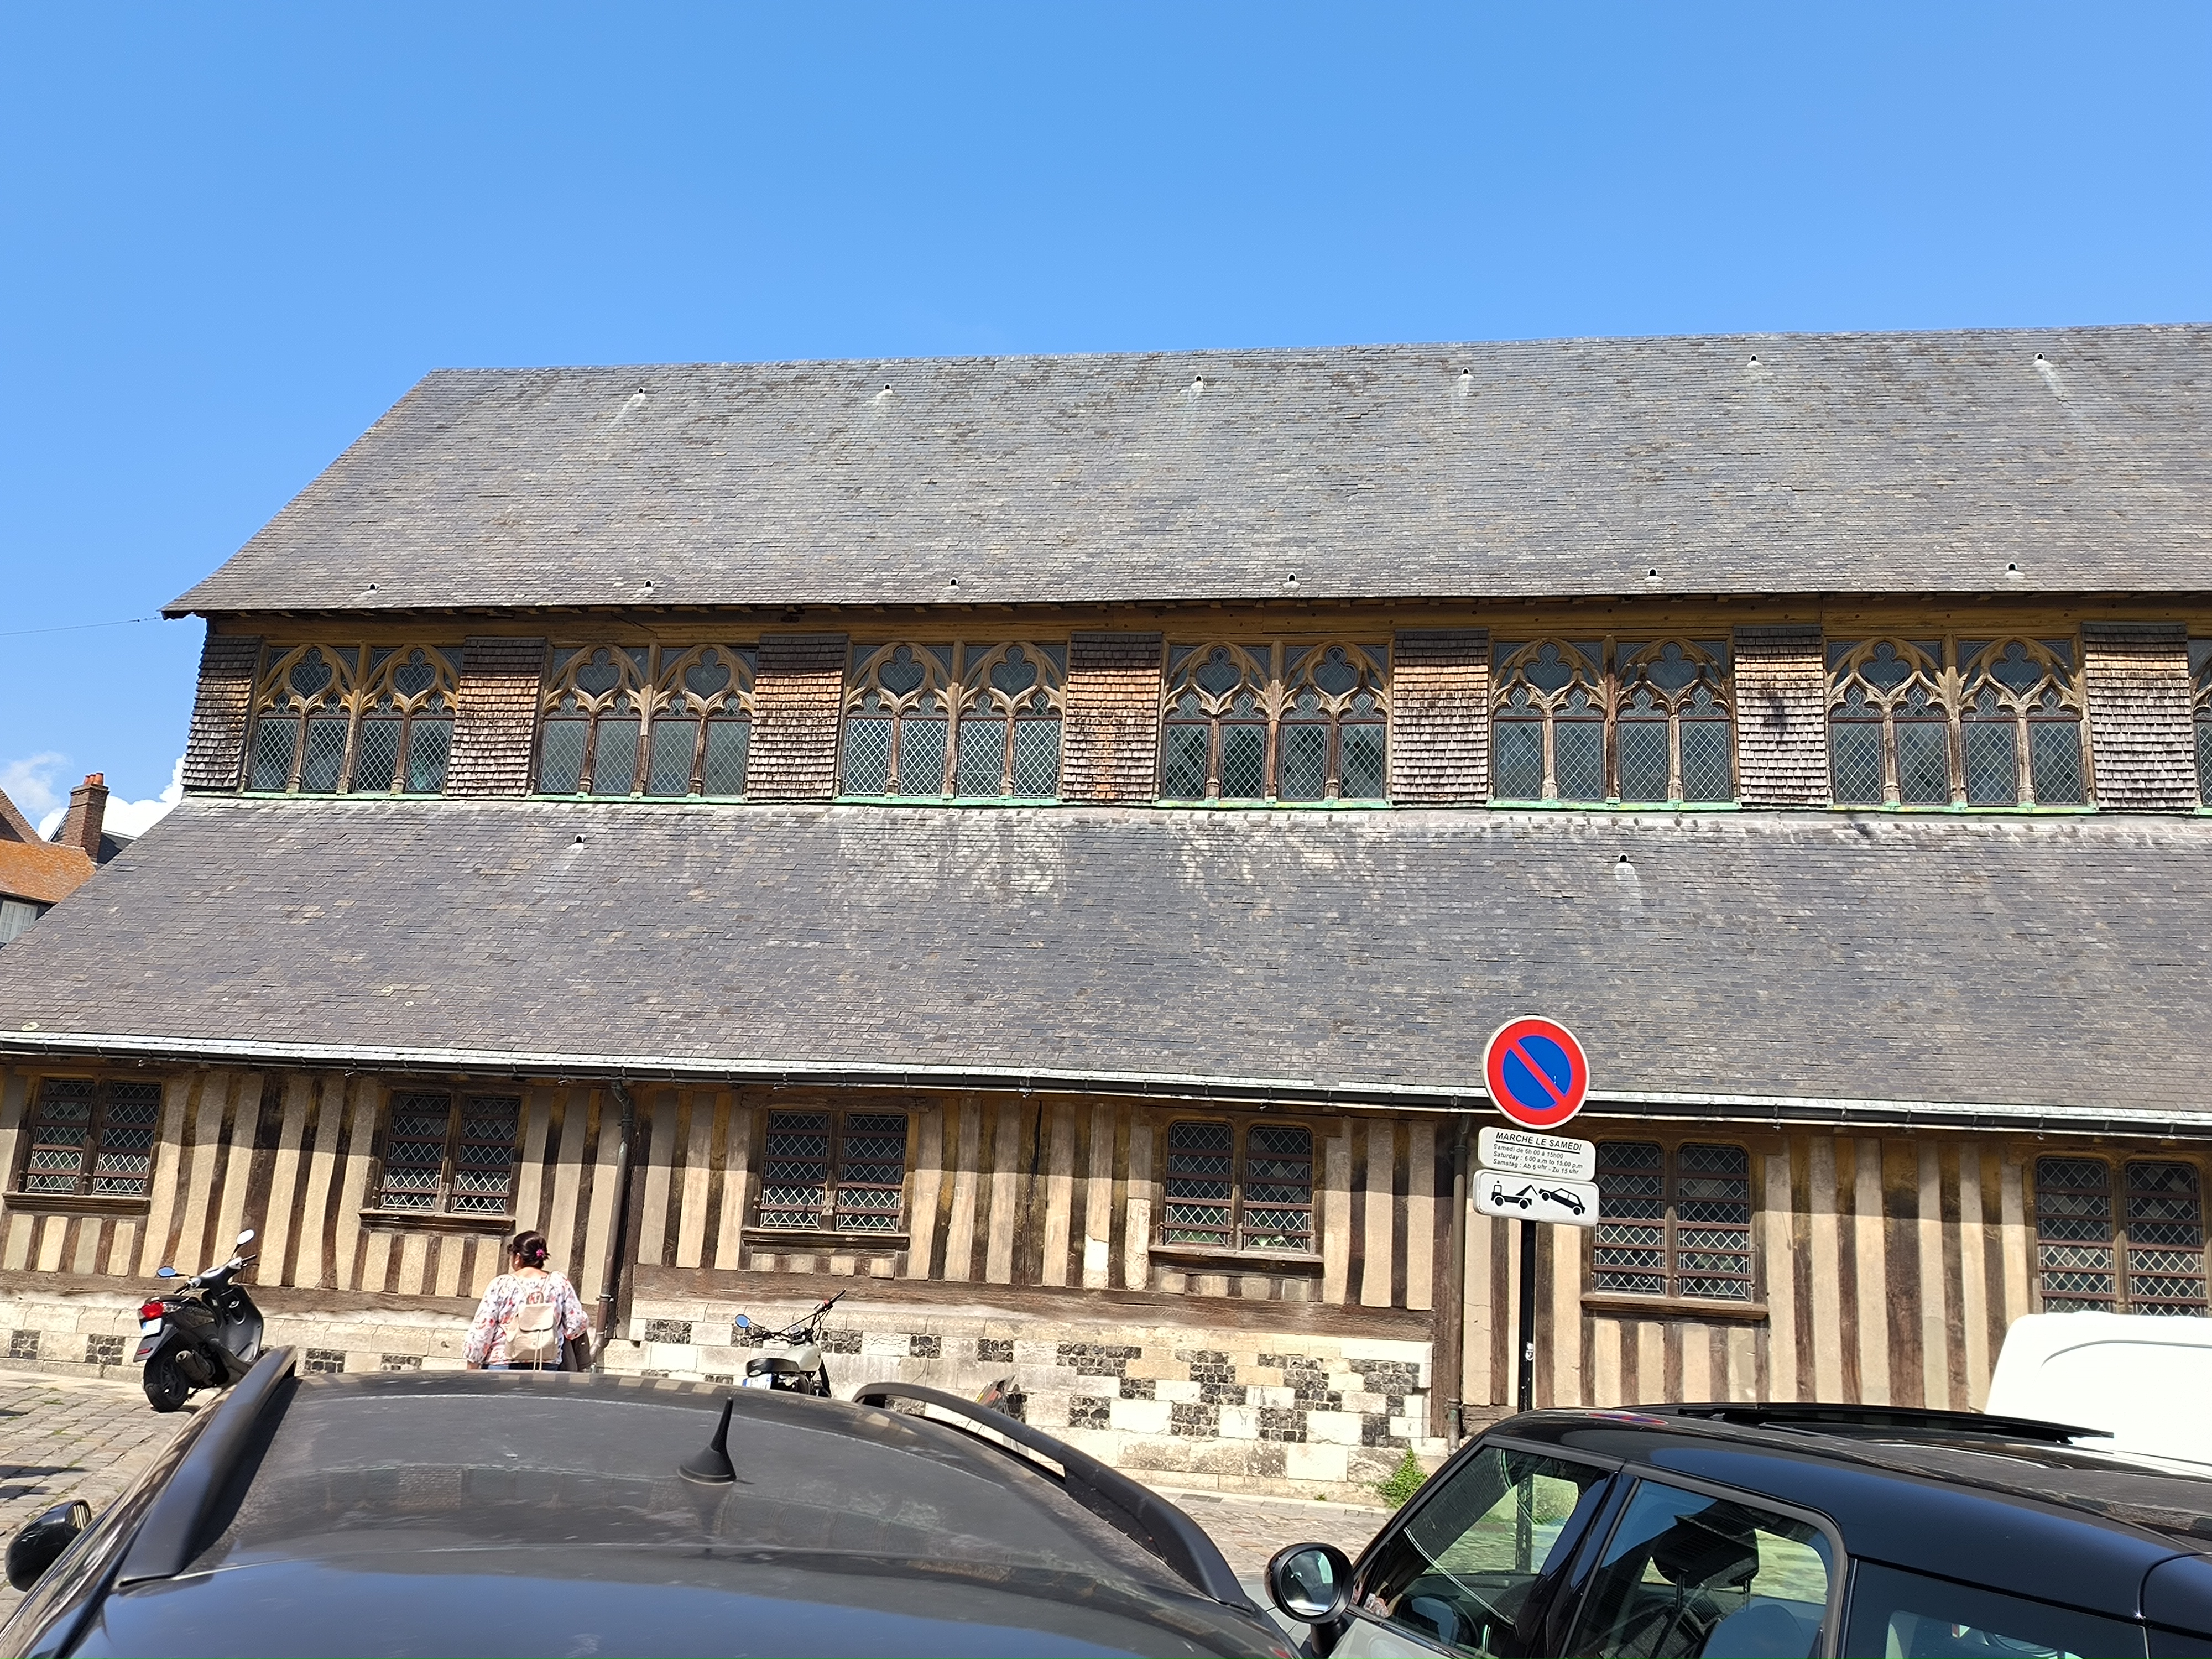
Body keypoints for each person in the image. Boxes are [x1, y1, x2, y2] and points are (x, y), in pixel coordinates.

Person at [464, 1229, 591, 1370]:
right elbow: (576, 1325)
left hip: (503, 1362)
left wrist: (473, 1364)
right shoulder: (559, 1282)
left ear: (518, 1257)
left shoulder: (502, 1284)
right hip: (545, 1362)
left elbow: (483, 1328)